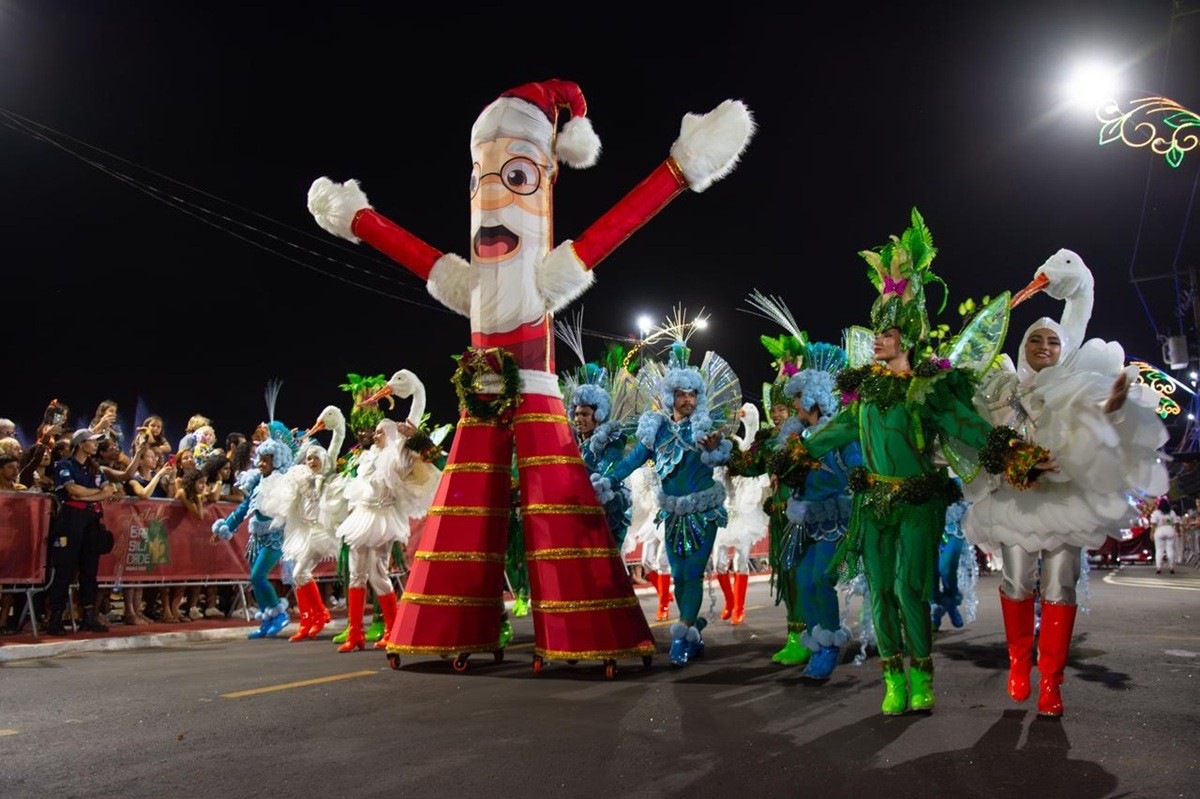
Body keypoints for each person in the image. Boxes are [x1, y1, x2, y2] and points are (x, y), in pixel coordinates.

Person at [308, 79, 751, 669]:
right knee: (466, 510)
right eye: (480, 182)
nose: (491, 201)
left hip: (537, 393)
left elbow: (616, 224)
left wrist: (678, 168)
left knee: (557, 511)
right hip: (481, 397)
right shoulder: (471, 280)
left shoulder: (545, 273)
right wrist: (357, 219)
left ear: (542, 178)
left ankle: (585, 632)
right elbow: (418, 256)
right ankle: (448, 628)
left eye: (515, 179)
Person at [775, 208, 1054, 714]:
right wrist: (794, 453)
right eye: (876, 332)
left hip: (919, 504)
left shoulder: (931, 389)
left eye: (886, 331)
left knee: (909, 590)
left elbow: (971, 428)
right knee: (879, 592)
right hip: (873, 501)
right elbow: (831, 432)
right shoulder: (863, 393)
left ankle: (922, 677)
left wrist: (1015, 454)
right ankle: (893, 682)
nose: (876, 338)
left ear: (906, 334)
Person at [964, 247, 1169, 717]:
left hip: (1065, 501)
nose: (1045, 348)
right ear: (1024, 347)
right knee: (1017, 584)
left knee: (1061, 587)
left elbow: (1096, 417)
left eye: (1053, 343)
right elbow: (974, 431)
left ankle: (1051, 683)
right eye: (1036, 340)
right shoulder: (1003, 388)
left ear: (1063, 349)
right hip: (1015, 501)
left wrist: (1115, 402)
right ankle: (1019, 664)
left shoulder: (1075, 384)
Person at [600, 336, 739, 667]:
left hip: (704, 511)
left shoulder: (705, 426)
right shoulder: (657, 429)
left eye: (692, 394)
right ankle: (691, 629)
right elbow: (632, 459)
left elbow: (721, 457)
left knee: (693, 569)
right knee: (679, 574)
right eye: (682, 394)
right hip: (672, 512)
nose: (688, 399)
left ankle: (683, 632)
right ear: (670, 396)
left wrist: (713, 448)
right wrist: (608, 480)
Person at [212, 425, 296, 638]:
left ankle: (280, 614)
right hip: (257, 537)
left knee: (258, 576)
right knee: (254, 579)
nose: (259, 464)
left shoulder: (284, 481)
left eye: (265, 461)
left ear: (276, 461)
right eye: (259, 460)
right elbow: (244, 508)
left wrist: (276, 430)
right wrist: (225, 527)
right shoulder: (259, 482)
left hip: (276, 536)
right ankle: (268, 620)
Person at [45, 428, 122, 635]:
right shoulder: (64, 465)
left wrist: (89, 496)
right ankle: (55, 618)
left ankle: (88, 616)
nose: (96, 444)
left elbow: (108, 491)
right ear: (80, 444)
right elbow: (73, 492)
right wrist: (97, 494)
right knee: (65, 569)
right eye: (92, 441)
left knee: (90, 569)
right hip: (70, 519)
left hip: (92, 520)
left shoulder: (95, 468)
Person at [931, 491, 973, 631]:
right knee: (930, 572)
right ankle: (935, 610)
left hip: (955, 517)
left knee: (946, 568)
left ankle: (950, 600)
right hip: (928, 516)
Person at [1150, 496, 1180, 575]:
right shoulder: (1172, 512)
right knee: (1170, 549)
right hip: (1170, 530)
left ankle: (1158, 567)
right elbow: (1176, 523)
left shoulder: (1156, 512)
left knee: (1159, 550)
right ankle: (1171, 567)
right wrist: (1178, 531)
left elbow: (1153, 524)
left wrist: (1152, 533)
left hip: (1159, 530)